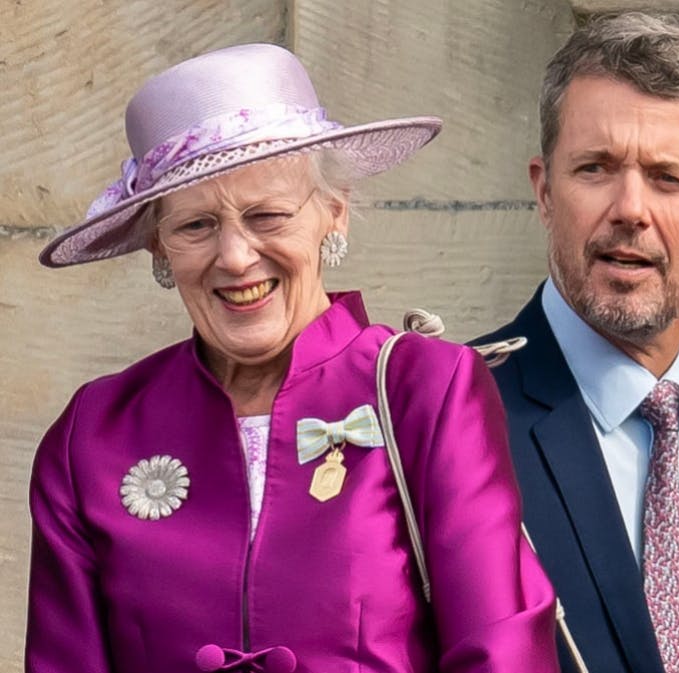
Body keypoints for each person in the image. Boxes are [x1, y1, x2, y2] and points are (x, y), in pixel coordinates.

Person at [27, 43, 559, 673]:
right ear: (159, 248)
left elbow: (500, 653)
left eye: (267, 215)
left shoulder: (428, 390)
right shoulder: (93, 433)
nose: (234, 256)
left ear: (333, 214)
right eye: (196, 226)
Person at [474, 12, 679, 673]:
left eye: (668, 177)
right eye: (595, 168)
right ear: (543, 190)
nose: (629, 208)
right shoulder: (456, 408)